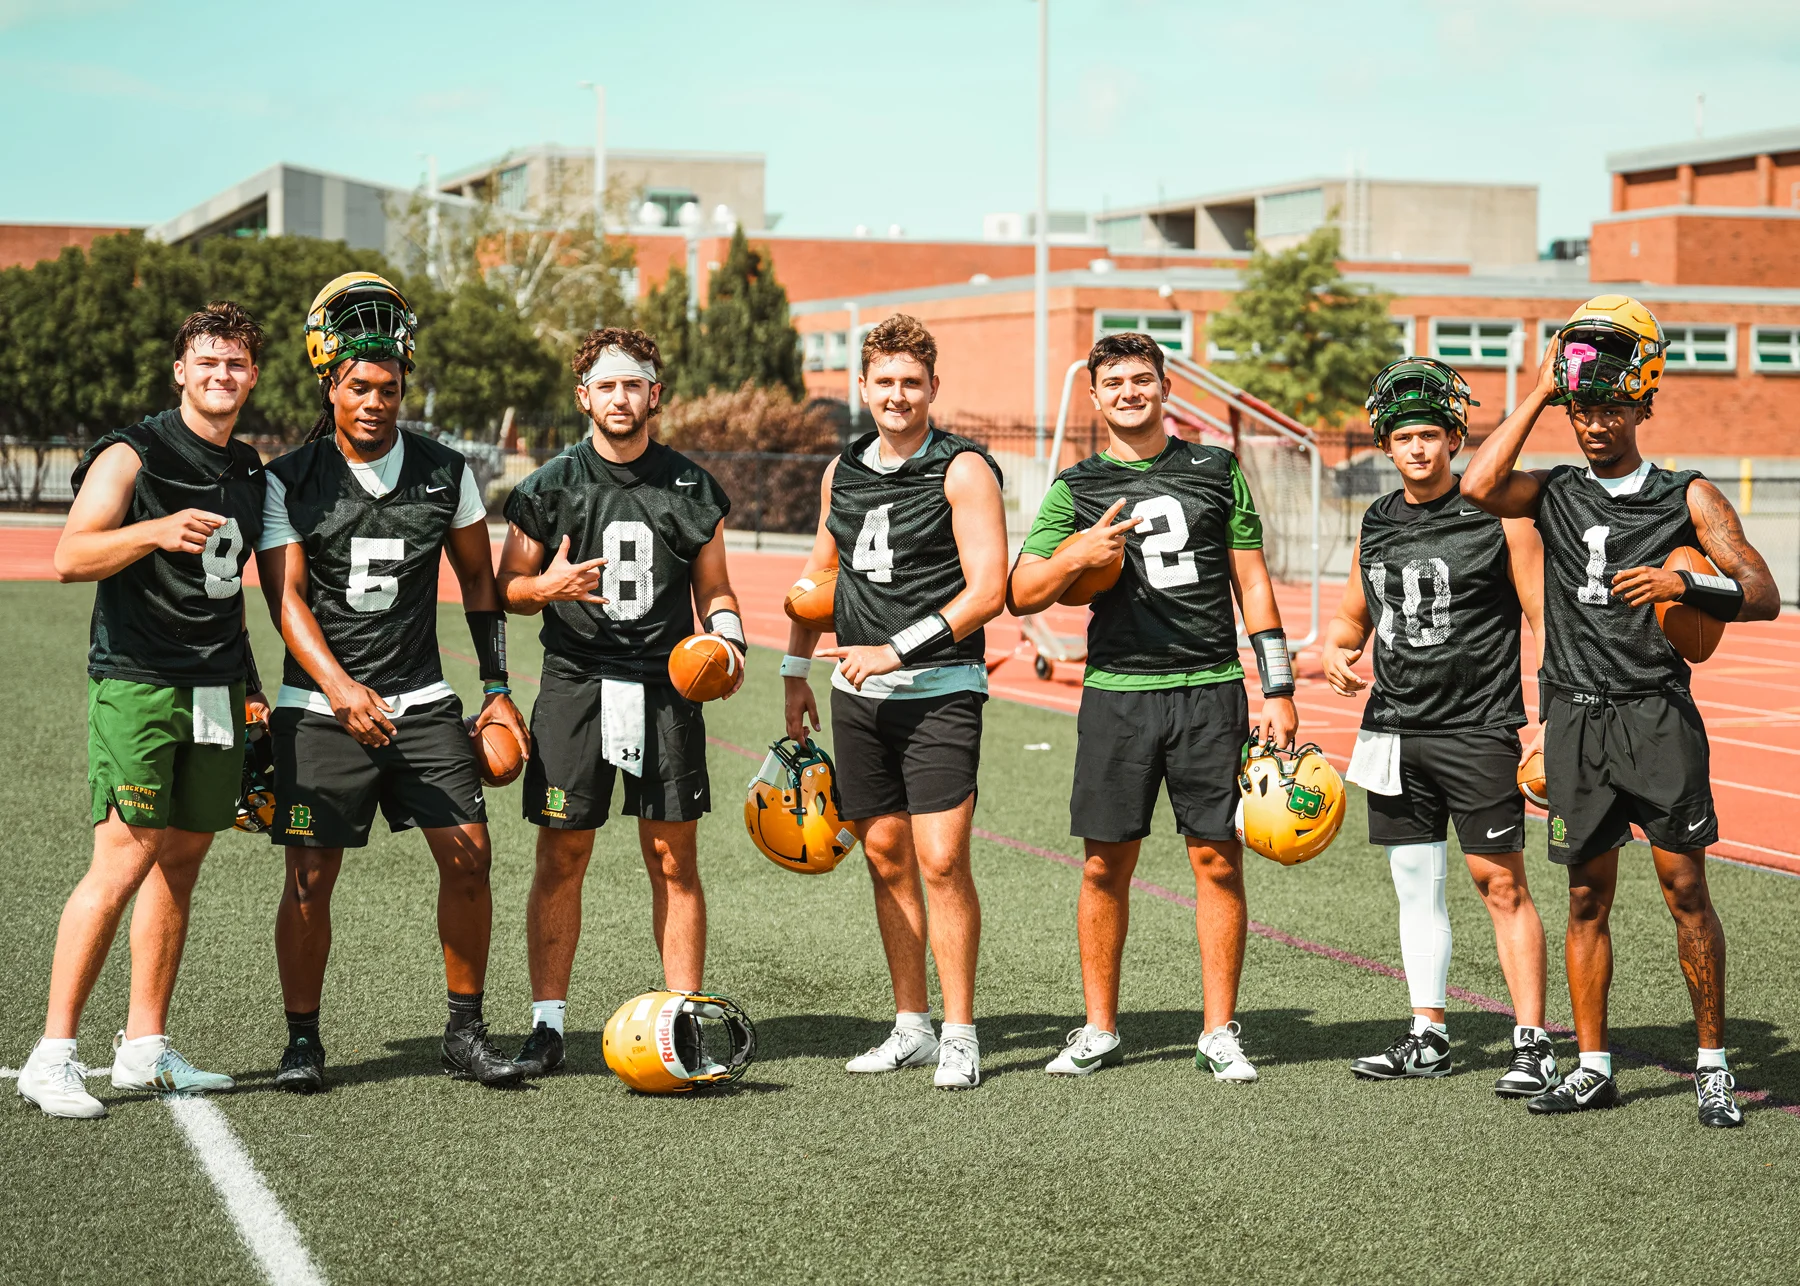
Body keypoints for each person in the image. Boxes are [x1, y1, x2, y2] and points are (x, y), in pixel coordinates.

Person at [1461, 294, 1780, 1128]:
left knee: (1684, 890)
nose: (1595, 424)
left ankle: (1711, 1064)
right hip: (1576, 716)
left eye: (1609, 407)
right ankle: (1593, 1062)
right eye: (1584, 408)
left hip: (1655, 714)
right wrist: (1537, 393)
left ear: (1643, 403)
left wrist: (1686, 583)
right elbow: (1477, 482)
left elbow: (1764, 593)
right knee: (1584, 900)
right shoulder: (1556, 489)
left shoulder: (1688, 494)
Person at [255, 273, 529, 1092]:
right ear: (330, 386)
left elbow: (480, 586)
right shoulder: (288, 477)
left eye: (389, 387)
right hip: (320, 703)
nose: (375, 401)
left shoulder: (447, 471)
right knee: (310, 873)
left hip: (419, 698)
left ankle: (466, 1031)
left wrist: (496, 686)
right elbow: (285, 598)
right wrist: (339, 688)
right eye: (359, 386)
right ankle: (303, 1041)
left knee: (470, 855)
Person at [1008, 331, 1298, 1082]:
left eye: (1143, 379)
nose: (1130, 392)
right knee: (1105, 865)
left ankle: (1219, 1030)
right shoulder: (1076, 486)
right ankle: (1100, 1027)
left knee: (1217, 859)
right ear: (1096, 396)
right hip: (1117, 694)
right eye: (1115, 383)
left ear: (1164, 388)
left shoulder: (1216, 469)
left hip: (1208, 690)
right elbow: (1021, 588)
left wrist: (1280, 686)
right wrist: (1078, 554)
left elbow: (1253, 583)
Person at [18, 303, 269, 1119]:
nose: (220, 375)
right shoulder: (136, 451)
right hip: (138, 678)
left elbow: (228, 593)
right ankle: (52, 1054)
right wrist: (154, 529)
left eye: (234, 363)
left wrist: (252, 683)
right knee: (122, 858)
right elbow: (69, 555)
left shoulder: (251, 470)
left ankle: (144, 1048)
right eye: (206, 361)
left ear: (252, 375)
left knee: (183, 860)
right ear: (180, 370)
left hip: (218, 686)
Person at [496, 327, 744, 1077]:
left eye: (632, 384)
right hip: (576, 681)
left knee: (674, 856)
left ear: (654, 395)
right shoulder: (548, 486)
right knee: (563, 852)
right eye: (606, 386)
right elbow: (506, 590)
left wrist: (728, 639)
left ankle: (685, 1015)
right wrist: (546, 588)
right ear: (585, 398)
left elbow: (718, 589)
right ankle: (547, 1025)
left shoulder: (693, 487)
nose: (620, 398)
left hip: (664, 685)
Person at [783, 314, 1007, 1090]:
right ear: (864, 388)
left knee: (942, 859)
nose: (899, 395)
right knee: (883, 855)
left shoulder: (964, 468)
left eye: (913, 382)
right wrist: (791, 674)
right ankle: (910, 1024)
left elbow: (989, 592)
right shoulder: (840, 471)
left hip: (941, 690)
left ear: (933, 388)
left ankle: (960, 1031)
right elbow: (816, 577)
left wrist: (895, 650)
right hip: (856, 698)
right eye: (885, 382)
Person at [1322, 357, 1556, 1095]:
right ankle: (1429, 1032)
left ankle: (1532, 1041)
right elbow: (1355, 615)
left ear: (1455, 439)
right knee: (1414, 885)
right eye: (1404, 436)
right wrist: (1336, 648)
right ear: (1384, 446)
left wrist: (1549, 719)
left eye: (1430, 434)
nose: (1417, 448)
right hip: (1392, 727)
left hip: (1477, 725)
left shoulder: (1502, 514)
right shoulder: (1377, 519)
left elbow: (1545, 619)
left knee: (1500, 883)